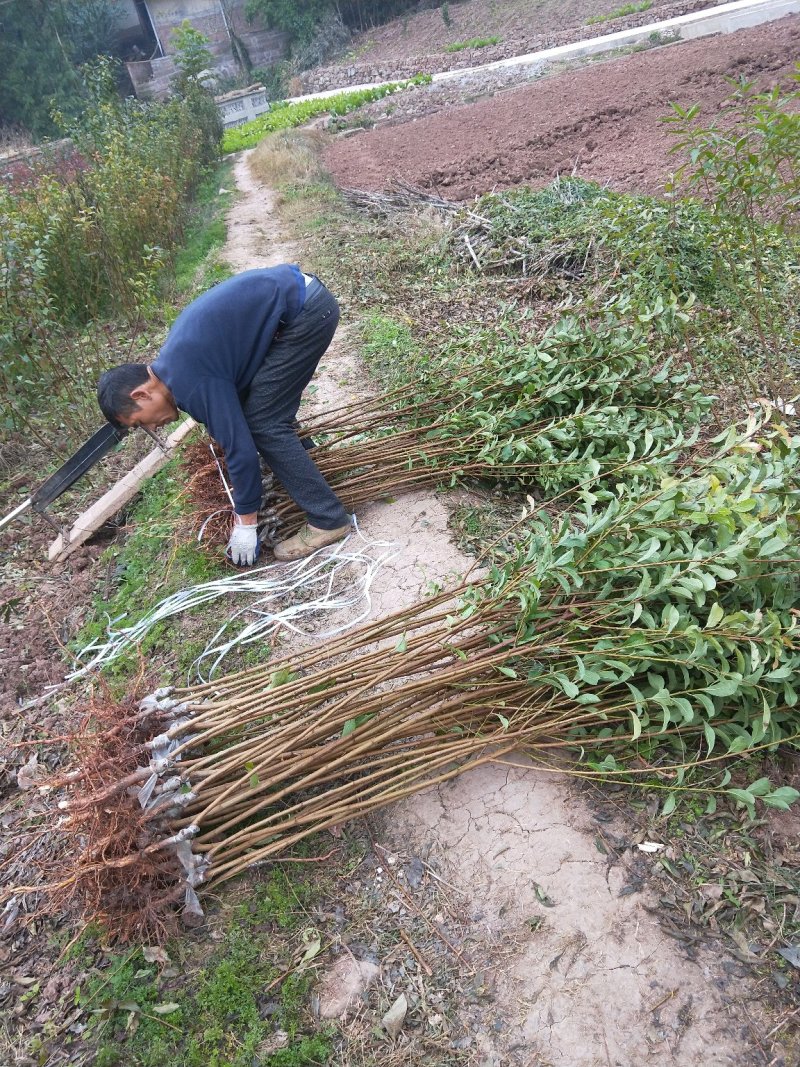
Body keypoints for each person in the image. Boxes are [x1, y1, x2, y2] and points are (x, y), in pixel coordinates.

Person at [96, 266, 352, 565]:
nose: (153, 427)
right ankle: (318, 469)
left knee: (265, 422)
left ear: (141, 394)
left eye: (142, 421)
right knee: (263, 410)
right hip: (303, 300)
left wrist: (245, 521)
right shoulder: (176, 367)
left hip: (305, 312)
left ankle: (328, 519)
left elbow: (240, 448)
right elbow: (236, 421)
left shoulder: (190, 380)